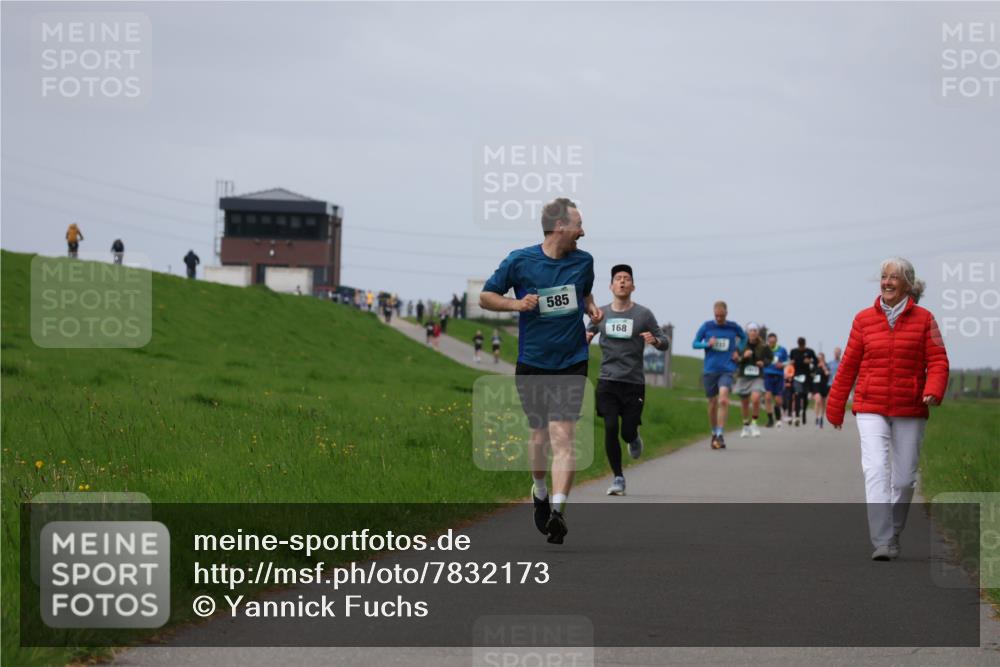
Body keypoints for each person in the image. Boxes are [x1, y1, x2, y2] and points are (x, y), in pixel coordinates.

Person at [479, 197, 601, 544]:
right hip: (533, 361)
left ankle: (559, 513)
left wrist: (591, 308)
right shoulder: (520, 260)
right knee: (540, 437)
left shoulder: (584, 261)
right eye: (579, 224)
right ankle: (540, 491)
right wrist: (516, 303)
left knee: (563, 436)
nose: (583, 231)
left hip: (572, 360)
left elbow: (585, 291)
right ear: (560, 226)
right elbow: (486, 297)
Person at [827, 257, 949, 561]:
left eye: (894, 277)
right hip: (871, 404)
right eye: (883, 277)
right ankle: (882, 540)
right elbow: (849, 364)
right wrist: (835, 404)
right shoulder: (863, 320)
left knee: (905, 479)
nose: (887, 282)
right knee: (876, 469)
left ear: (908, 283)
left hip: (910, 406)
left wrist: (933, 390)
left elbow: (937, 360)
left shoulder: (925, 320)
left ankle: (893, 532)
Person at [586, 264, 669, 496]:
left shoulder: (643, 314)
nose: (622, 281)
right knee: (611, 427)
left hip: (633, 382)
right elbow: (588, 331)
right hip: (607, 380)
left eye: (626, 278)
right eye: (618, 278)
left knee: (626, 431)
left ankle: (633, 438)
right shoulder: (601, 313)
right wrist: (586, 337)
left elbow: (664, 342)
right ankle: (618, 477)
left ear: (633, 286)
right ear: (611, 286)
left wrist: (655, 340)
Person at [692, 301, 745, 450]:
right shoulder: (707, 326)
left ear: (726, 313)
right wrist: (707, 344)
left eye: (721, 316)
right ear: (714, 314)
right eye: (717, 316)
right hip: (710, 370)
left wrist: (738, 351)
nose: (719, 318)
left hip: (727, 369)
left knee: (723, 399)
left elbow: (744, 338)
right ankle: (714, 431)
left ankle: (720, 433)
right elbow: (695, 343)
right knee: (712, 403)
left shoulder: (733, 327)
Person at [734, 323, 772, 438]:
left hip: (757, 376)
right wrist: (743, 357)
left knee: (755, 399)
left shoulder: (764, 346)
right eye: (751, 330)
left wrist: (763, 363)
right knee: (745, 403)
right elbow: (736, 360)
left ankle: (754, 424)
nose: (753, 332)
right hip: (743, 376)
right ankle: (746, 425)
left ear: (758, 332)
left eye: (755, 330)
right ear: (747, 332)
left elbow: (770, 358)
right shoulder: (741, 345)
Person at [788, 337, 816, 426]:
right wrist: (791, 364)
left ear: (805, 344)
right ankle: (796, 416)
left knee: (804, 396)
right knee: (797, 395)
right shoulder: (793, 351)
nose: (801, 346)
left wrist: (810, 361)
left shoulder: (810, 352)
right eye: (800, 345)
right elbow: (790, 362)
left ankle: (803, 412)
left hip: (807, 377)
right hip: (797, 376)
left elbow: (816, 361)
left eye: (802, 345)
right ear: (798, 344)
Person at [763, 332, 788, 428]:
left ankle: (778, 412)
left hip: (779, 376)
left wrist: (782, 364)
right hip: (767, 375)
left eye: (773, 341)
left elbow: (788, 361)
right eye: (770, 341)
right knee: (768, 397)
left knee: (778, 400)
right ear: (768, 341)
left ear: (776, 341)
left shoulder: (782, 350)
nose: (772, 343)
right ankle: (770, 419)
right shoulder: (765, 350)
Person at [812, 352, 831, 427]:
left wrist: (823, 367)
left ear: (824, 358)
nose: (820, 359)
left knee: (823, 403)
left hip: (824, 386)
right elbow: (811, 375)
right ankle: (816, 417)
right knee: (818, 401)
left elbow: (827, 374)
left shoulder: (826, 366)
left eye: (821, 358)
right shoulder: (814, 366)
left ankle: (821, 418)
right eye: (819, 358)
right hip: (816, 386)